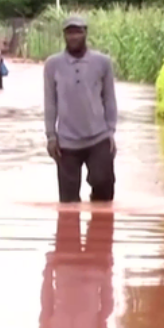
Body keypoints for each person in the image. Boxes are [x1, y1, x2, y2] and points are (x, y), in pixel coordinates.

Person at [43, 16, 117, 203]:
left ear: (85, 33)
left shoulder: (103, 62)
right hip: (66, 142)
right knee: (68, 204)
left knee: (104, 190)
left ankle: (99, 230)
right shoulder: (52, 65)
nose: (74, 36)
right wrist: (51, 136)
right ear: (64, 36)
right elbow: (50, 102)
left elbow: (109, 98)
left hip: (98, 137)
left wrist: (111, 131)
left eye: (78, 32)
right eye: (69, 32)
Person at [39, 210, 114, 328]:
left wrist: (48, 269)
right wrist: (108, 273)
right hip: (88, 268)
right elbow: (106, 305)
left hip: (71, 268)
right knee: (99, 216)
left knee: (69, 215)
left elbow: (46, 302)